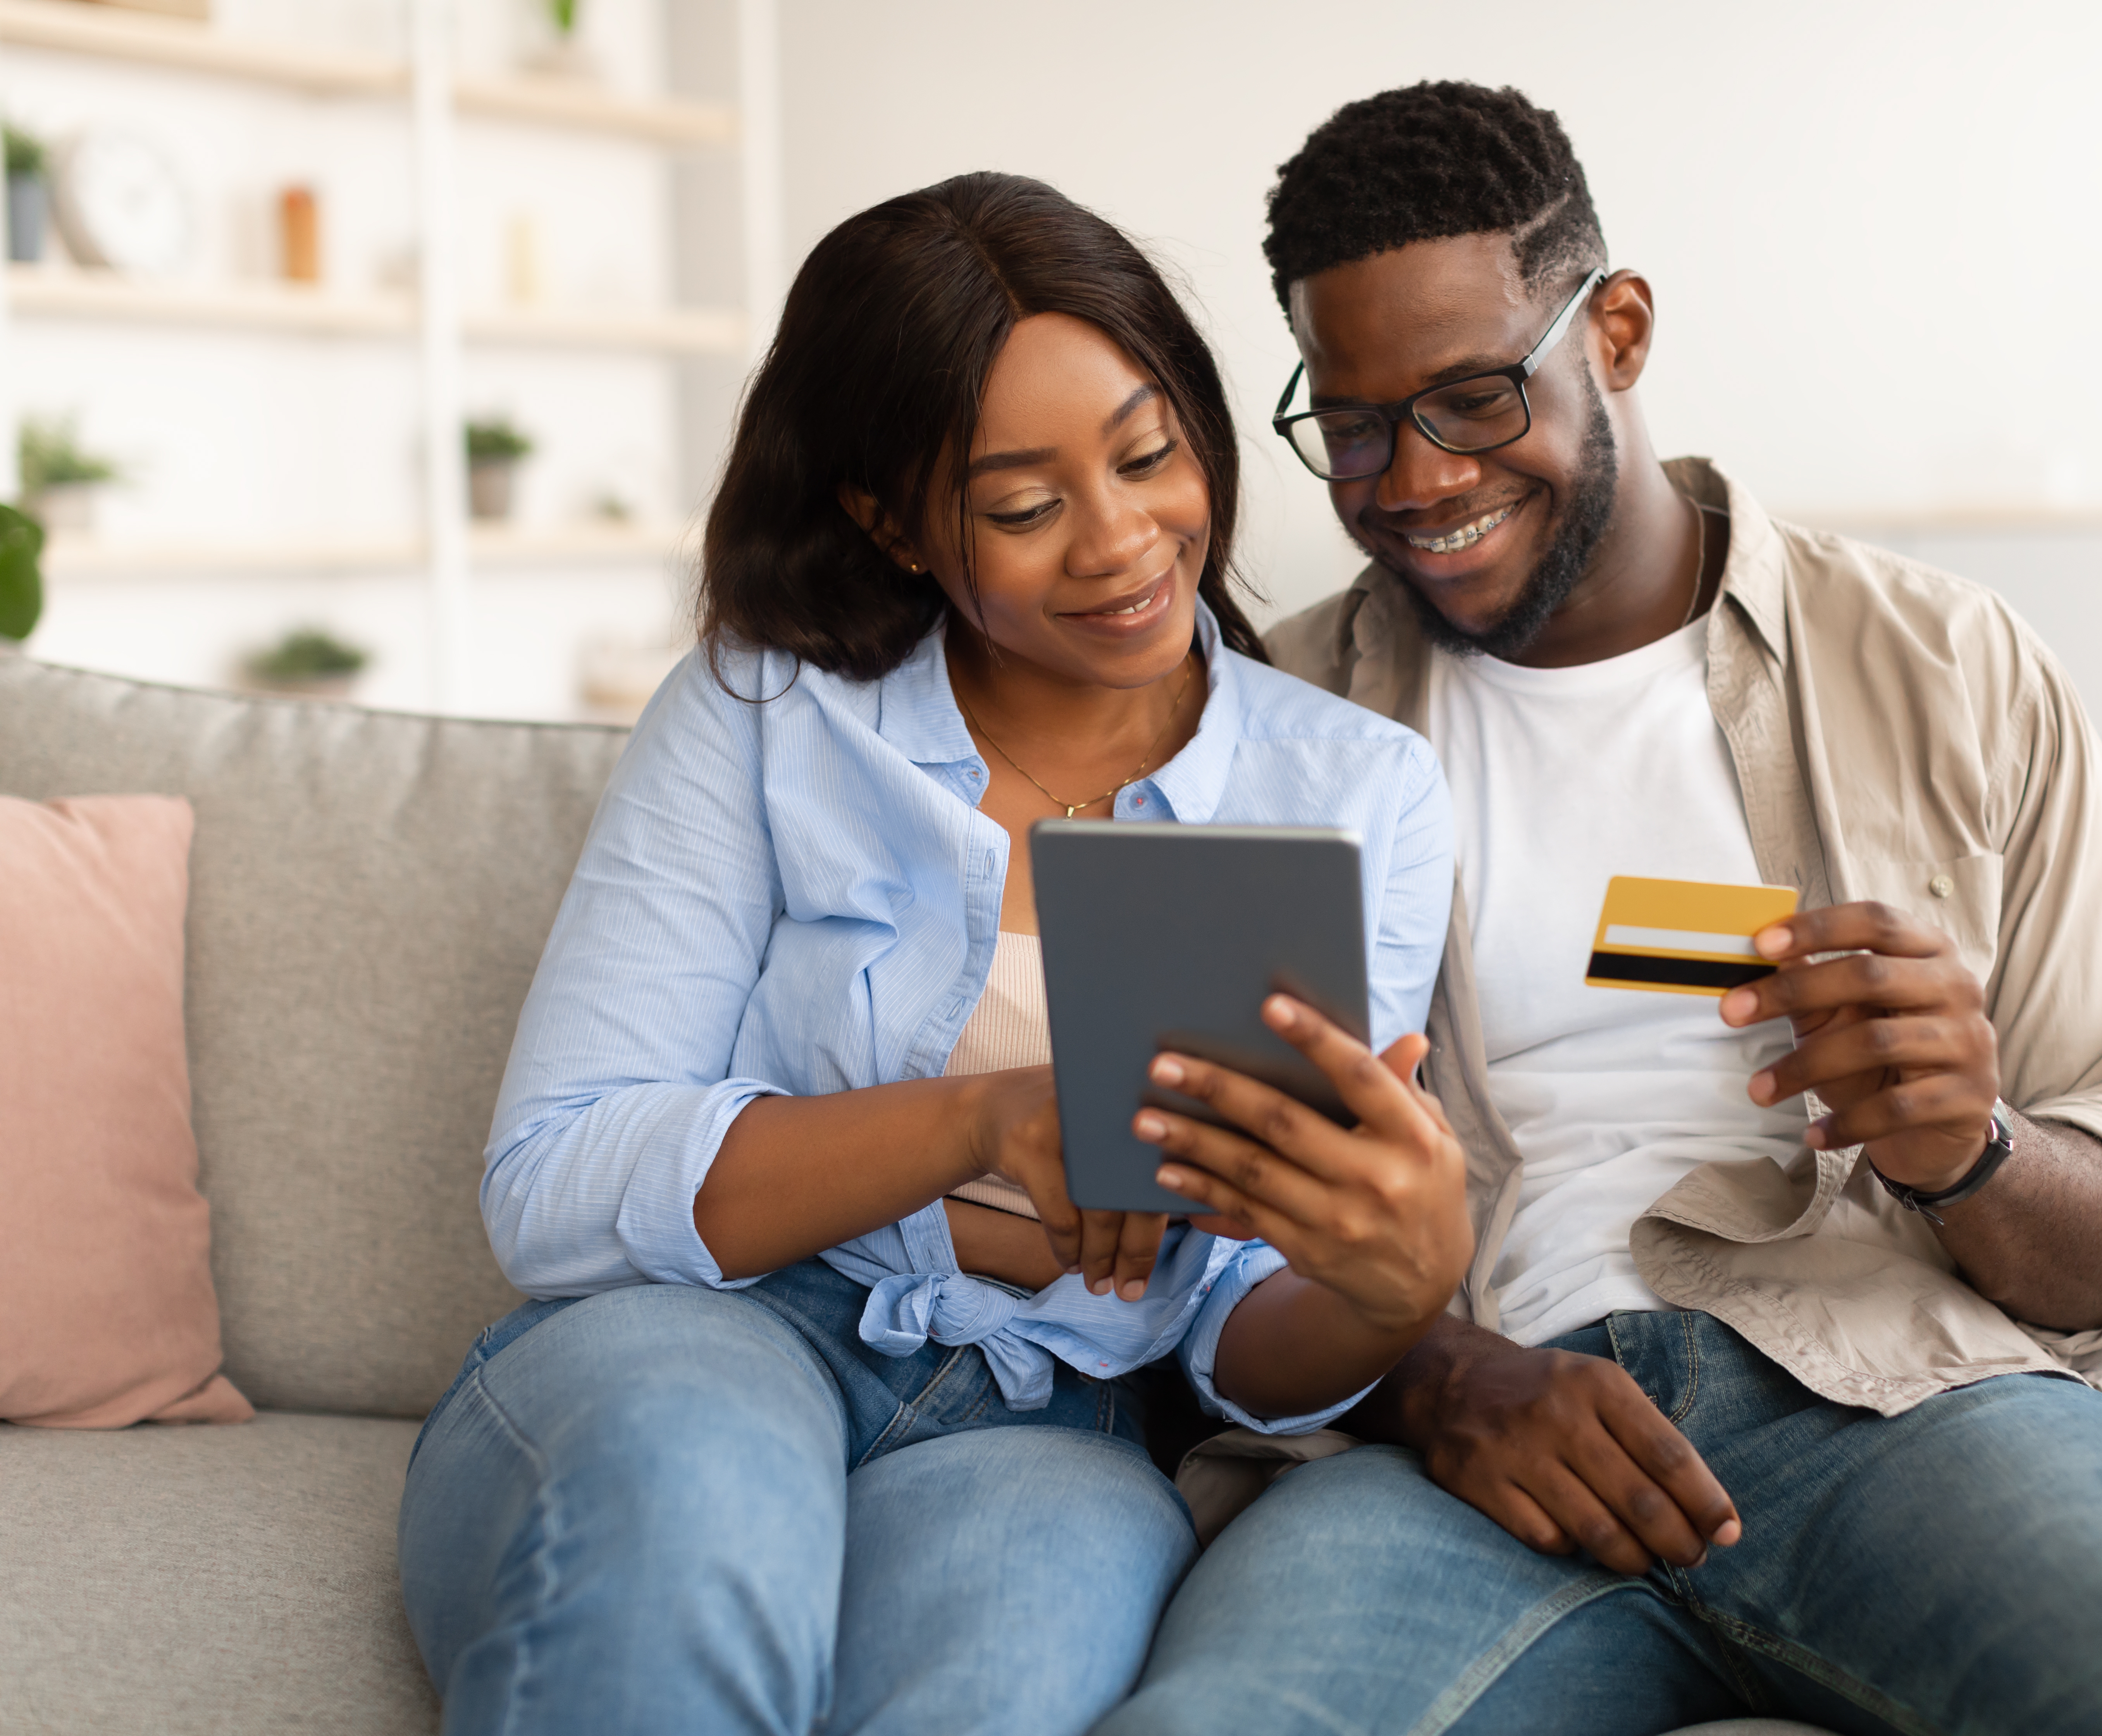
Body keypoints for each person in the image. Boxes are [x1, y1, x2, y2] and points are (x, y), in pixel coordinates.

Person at [1102, 84, 2102, 1735]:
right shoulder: (1259, 731)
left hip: (1900, 1405)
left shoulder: (1950, 667)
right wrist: (1435, 1376)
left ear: (1623, 331)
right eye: (1357, 426)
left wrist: (1973, 1146)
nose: (1414, 479)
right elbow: (1171, 1252)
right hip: (1453, 1456)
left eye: (1472, 397)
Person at [397, 171, 1472, 1736]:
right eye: (1027, 507)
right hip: (716, 1335)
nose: (1123, 544)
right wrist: (983, 1122)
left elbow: (1247, 1323)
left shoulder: (1355, 791)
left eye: (1150, 453)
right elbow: (553, 1182)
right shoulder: (768, 710)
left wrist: (1396, 1280)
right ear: (890, 519)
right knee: (689, 1520)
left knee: (1006, 1680)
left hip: (1057, 1420)